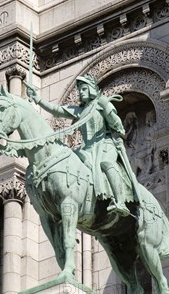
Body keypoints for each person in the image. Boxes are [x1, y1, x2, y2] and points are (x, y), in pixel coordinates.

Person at [25, 74, 133, 216]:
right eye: (79, 89)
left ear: (91, 89)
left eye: (83, 89)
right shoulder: (80, 111)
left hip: (105, 144)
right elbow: (57, 110)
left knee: (106, 163)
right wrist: (37, 99)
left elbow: (116, 123)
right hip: (87, 149)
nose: (80, 92)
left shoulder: (101, 104)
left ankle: (120, 202)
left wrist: (106, 107)